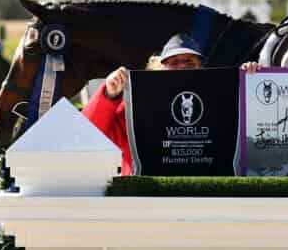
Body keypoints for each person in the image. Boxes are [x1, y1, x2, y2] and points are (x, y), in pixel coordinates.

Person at [83, 34, 258, 175]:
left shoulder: (221, 100)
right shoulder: (136, 106)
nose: (182, 66)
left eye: (190, 61)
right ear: (160, 68)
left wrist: (252, 81)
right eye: (174, 62)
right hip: (144, 200)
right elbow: (86, 135)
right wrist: (108, 94)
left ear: (201, 68)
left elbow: (256, 127)